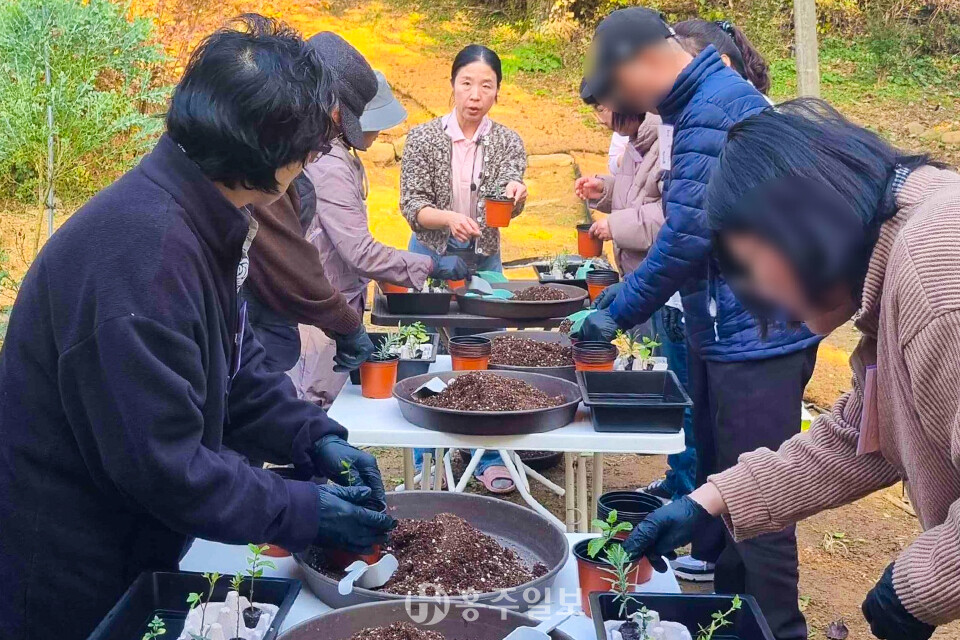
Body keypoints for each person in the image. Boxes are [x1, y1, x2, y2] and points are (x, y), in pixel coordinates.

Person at [0, 17, 394, 640]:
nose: (313, 162)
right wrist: (302, 511)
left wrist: (311, 437)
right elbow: (164, 465)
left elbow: (232, 366)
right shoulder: (140, 256)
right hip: (70, 574)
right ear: (265, 151)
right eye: (310, 148)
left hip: (133, 544)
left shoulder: (202, 218)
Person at [625, 98, 959, 640]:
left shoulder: (936, 273)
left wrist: (920, 585)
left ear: (795, 223)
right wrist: (710, 502)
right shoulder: (900, 251)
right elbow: (861, 435)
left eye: (752, 270)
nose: (764, 299)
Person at [576, 9, 820, 639]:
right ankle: (733, 619)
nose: (630, 108)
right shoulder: (697, 107)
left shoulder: (716, 107)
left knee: (761, 501)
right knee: (726, 483)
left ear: (643, 62)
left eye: (624, 90)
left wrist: (616, 311)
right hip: (728, 331)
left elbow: (687, 234)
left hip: (760, 335)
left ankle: (776, 628)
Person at [289, 33, 469, 407]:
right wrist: (430, 265)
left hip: (333, 306)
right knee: (311, 409)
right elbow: (359, 251)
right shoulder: (330, 163)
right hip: (318, 316)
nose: (378, 132)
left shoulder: (335, 152)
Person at [399, 44, 527, 493]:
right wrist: (449, 218)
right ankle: (423, 455)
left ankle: (487, 452)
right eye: (467, 83)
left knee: (486, 349)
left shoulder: (508, 140)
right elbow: (411, 205)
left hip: (486, 257)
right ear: (452, 86)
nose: (475, 94)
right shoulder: (423, 138)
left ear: (497, 92)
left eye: (486, 85)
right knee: (424, 350)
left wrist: (517, 193)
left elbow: (513, 195)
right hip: (429, 256)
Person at [242, 168, 374, 375]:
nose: (315, 157)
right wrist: (346, 323)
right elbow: (289, 266)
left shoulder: (283, 168)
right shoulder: (261, 175)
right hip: (254, 333)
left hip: (263, 332)